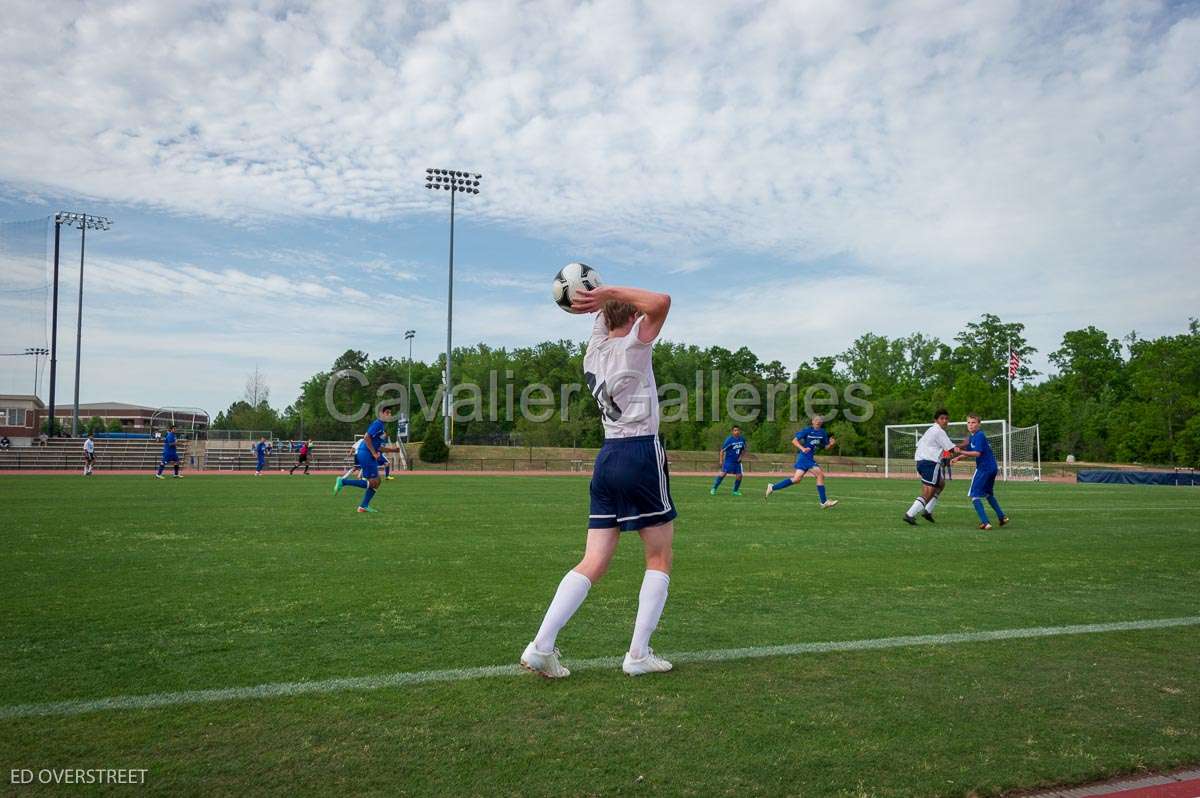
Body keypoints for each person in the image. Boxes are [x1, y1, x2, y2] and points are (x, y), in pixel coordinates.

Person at [521, 283, 675, 679]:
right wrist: (606, 290)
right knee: (658, 557)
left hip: (606, 458)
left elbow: (605, 316)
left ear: (601, 317)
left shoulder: (593, 350)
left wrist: (598, 298)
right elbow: (661, 301)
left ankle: (541, 646)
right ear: (632, 317)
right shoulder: (634, 346)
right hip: (640, 453)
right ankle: (638, 654)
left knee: (593, 560)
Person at [764, 415, 839, 508]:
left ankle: (772, 487)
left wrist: (831, 444)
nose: (818, 421)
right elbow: (794, 441)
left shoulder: (822, 433)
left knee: (796, 479)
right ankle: (824, 502)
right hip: (804, 457)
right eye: (816, 420)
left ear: (822, 422)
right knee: (820, 475)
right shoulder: (807, 430)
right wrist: (802, 448)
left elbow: (825, 447)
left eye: (820, 420)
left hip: (808, 458)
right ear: (812, 421)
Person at [902, 409, 962, 525]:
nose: (945, 421)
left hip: (921, 462)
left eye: (946, 418)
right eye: (942, 418)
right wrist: (968, 446)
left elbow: (920, 445)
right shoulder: (938, 431)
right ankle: (910, 514)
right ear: (936, 420)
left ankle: (927, 511)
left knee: (941, 483)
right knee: (928, 491)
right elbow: (952, 449)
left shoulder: (931, 430)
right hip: (929, 463)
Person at [953, 414, 1010, 530]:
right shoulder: (973, 436)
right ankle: (1002, 517)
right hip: (992, 468)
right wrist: (958, 457)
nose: (970, 425)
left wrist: (960, 451)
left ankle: (985, 522)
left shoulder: (979, 435)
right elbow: (970, 451)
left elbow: (977, 453)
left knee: (974, 495)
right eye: (968, 423)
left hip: (984, 468)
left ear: (979, 424)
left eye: (973, 422)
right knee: (988, 494)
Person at [334, 407, 393, 513]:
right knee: (373, 482)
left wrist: (390, 450)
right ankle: (343, 482)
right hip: (366, 453)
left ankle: (363, 506)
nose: (389, 415)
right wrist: (374, 453)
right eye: (387, 413)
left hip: (367, 453)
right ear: (381, 413)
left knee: (377, 481)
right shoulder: (378, 423)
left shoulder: (382, 426)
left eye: (390, 413)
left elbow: (376, 445)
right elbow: (366, 438)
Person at [711, 425, 747, 496]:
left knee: (739, 476)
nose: (736, 432)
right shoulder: (729, 440)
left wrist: (741, 457)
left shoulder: (742, 439)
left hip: (737, 462)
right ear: (732, 431)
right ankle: (714, 488)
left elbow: (744, 450)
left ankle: (735, 491)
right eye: (735, 430)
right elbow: (722, 451)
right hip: (729, 461)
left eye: (738, 430)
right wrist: (721, 461)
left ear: (740, 431)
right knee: (723, 474)